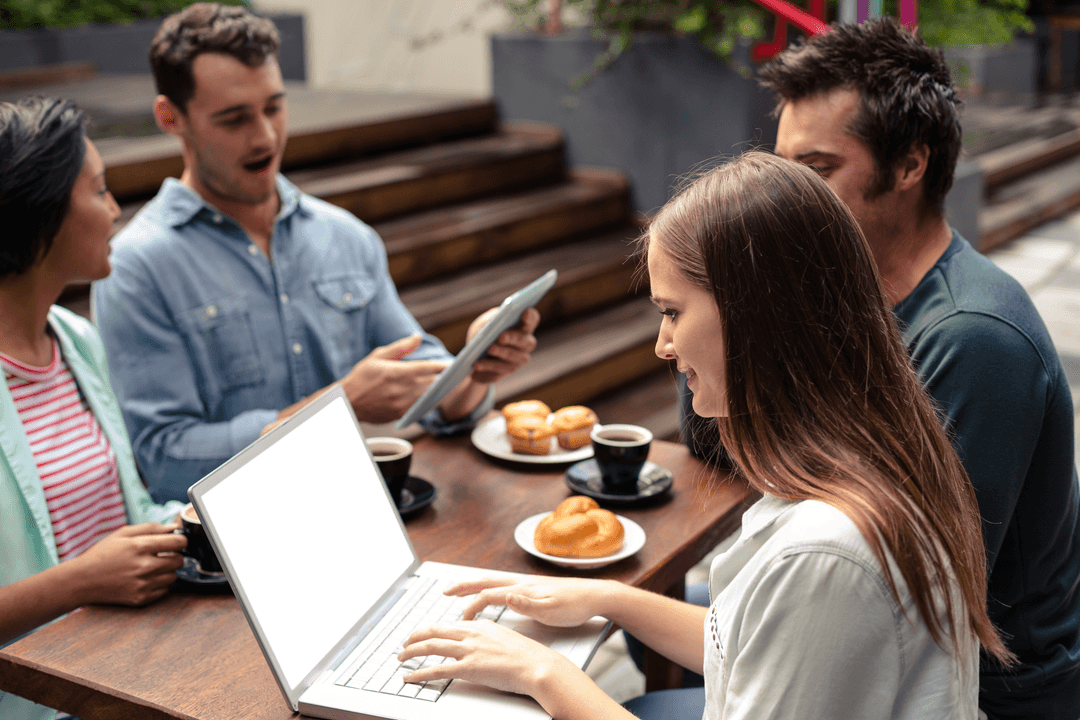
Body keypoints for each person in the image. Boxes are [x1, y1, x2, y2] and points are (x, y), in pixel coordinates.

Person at [390, 151, 1011, 719]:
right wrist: (608, 598)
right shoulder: (870, 457)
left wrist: (543, 674)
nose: (663, 345)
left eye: (672, 313)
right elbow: (747, 646)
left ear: (756, 316)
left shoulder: (824, 553)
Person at [755, 19, 1080, 719]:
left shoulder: (974, 338)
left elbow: (907, 589)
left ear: (909, 165)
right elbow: (721, 446)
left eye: (816, 171)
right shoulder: (854, 295)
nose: (787, 197)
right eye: (782, 170)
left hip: (981, 693)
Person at [91, 3, 539, 503]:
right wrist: (337, 405)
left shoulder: (344, 236)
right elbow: (164, 462)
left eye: (274, 107)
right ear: (170, 117)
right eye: (234, 119)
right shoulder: (135, 266)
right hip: (229, 537)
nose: (265, 136)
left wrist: (476, 364)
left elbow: (438, 398)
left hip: (357, 511)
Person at [0, 97, 188, 720]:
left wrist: (199, 518)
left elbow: (124, 515)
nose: (114, 210)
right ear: (44, 212)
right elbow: (94, 567)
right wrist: (79, 581)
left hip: (129, 673)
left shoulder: (76, 341)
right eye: (100, 190)